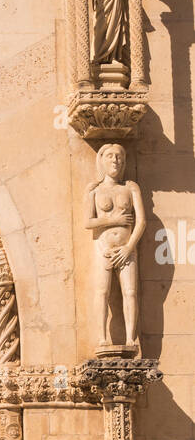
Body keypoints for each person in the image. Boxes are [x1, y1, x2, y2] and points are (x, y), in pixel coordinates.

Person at [84, 143, 145, 352]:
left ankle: (130, 337)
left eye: (119, 156)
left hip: (126, 249)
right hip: (103, 247)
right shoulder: (94, 190)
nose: (115, 160)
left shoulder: (130, 187)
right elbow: (88, 221)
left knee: (130, 291)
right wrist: (113, 219)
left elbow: (141, 221)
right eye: (110, 156)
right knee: (102, 291)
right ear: (101, 160)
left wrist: (129, 247)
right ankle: (102, 338)